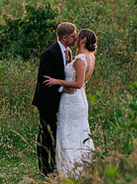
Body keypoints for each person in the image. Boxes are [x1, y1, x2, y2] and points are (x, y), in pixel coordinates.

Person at [43, 29, 97, 178]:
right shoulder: (89, 57)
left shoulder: (81, 58)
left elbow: (79, 83)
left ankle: (70, 170)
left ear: (83, 40)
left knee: (68, 131)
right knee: (79, 131)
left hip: (72, 100)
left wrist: (57, 81)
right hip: (79, 99)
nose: (75, 38)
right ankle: (83, 167)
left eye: (77, 36)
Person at [32, 22, 78, 177]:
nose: (75, 38)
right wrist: (62, 88)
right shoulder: (50, 53)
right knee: (46, 134)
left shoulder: (68, 51)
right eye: (73, 36)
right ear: (64, 37)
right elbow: (42, 78)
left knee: (54, 133)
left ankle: (54, 166)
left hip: (59, 100)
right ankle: (44, 169)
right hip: (46, 101)